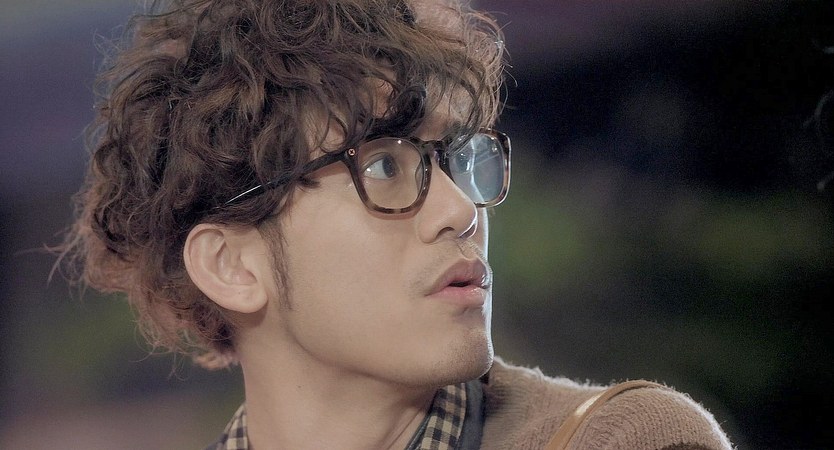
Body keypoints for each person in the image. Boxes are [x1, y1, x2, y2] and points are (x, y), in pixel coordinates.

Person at [61, 0, 733, 448]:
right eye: (383, 166)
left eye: (457, 158)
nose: (461, 211)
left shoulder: (622, 441)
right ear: (231, 266)